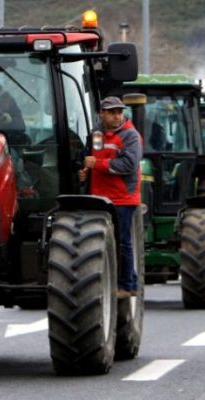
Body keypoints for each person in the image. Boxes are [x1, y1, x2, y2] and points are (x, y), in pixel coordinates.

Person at [79, 96, 143, 299]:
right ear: (102, 113)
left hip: (122, 197)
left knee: (122, 241)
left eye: (119, 112)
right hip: (100, 195)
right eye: (112, 112)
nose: (117, 116)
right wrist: (86, 172)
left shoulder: (130, 136)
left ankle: (128, 285)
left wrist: (97, 165)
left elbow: (128, 165)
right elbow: (94, 157)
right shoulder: (97, 134)